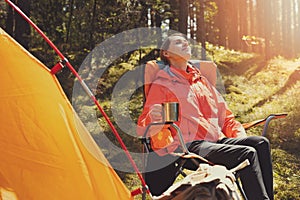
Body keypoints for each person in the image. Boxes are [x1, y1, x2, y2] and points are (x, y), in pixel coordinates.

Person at [137, 33, 274, 200]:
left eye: (186, 41)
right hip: (190, 145)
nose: (186, 43)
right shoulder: (163, 83)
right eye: (178, 42)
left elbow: (226, 117)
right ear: (166, 53)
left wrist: (239, 136)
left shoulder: (201, 81)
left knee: (260, 143)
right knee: (247, 153)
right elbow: (144, 125)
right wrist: (154, 117)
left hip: (216, 140)